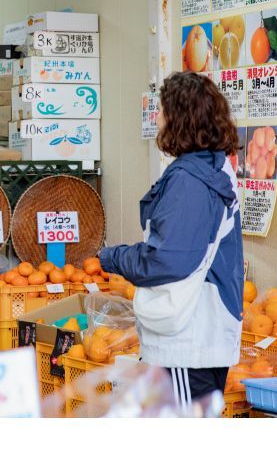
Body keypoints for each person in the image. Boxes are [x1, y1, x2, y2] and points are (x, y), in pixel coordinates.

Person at [98, 71, 243, 404]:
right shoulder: (213, 168)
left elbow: (168, 259)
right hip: (203, 331)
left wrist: (112, 257)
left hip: (187, 340)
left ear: (179, 118)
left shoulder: (190, 181)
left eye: (161, 109)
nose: (157, 117)